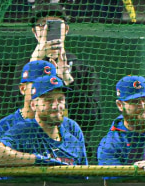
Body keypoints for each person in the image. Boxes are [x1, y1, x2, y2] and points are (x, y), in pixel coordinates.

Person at [27, 1, 101, 145]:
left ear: (65, 29)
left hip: (74, 148)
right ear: (35, 32)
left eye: (54, 24)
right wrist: (34, 62)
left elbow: (92, 118)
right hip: (32, 146)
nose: (48, 29)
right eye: (42, 25)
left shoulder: (84, 69)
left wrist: (68, 81)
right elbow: (18, 110)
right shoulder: (25, 67)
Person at [0, 74, 87, 166]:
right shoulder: (23, 131)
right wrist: (39, 160)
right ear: (33, 105)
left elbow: (85, 178)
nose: (56, 106)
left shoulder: (73, 142)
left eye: (60, 99)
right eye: (49, 100)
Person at [0, 60, 57, 149]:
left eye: (50, 87)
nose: (45, 91)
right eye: (38, 85)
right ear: (23, 89)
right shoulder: (2, 128)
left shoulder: (69, 127)